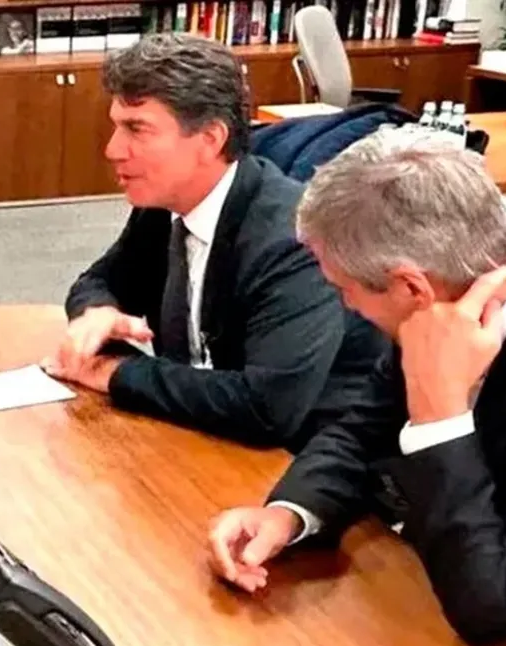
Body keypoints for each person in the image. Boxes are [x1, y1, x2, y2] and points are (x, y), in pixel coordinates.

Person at [207, 130, 506, 646]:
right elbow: (364, 426)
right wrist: (289, 513)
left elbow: (491, 604)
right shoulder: (455, 290)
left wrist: (441, 415)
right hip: (449, 609)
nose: (344, 305)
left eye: (345, 291)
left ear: (412, 288)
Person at [45, 34, 386, 452]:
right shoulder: (165, 201)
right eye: (117, 126)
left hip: (306, 467)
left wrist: (116, 373)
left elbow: (267, 409)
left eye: (137, 129)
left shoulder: (292, 240)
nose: (113, 149)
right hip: (204, 436)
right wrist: (99, 312)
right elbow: (95, 281)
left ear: (210, 139)